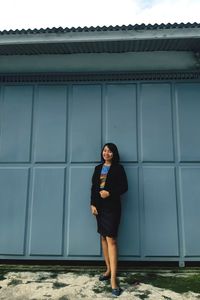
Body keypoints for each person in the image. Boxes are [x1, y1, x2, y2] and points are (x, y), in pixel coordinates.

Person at [90, 143, 128, 297]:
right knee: (103, 239)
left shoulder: (119, 168)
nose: (106, 153)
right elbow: (93, 187)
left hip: (112, 208)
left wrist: (110, 193)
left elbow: (124, 187)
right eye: (104, 150)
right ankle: (108, 270)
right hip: (99, 208)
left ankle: (113, 279)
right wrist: (92, 203)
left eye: (109, 151)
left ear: (114, 154)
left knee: (111, 239)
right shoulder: (98, 168)